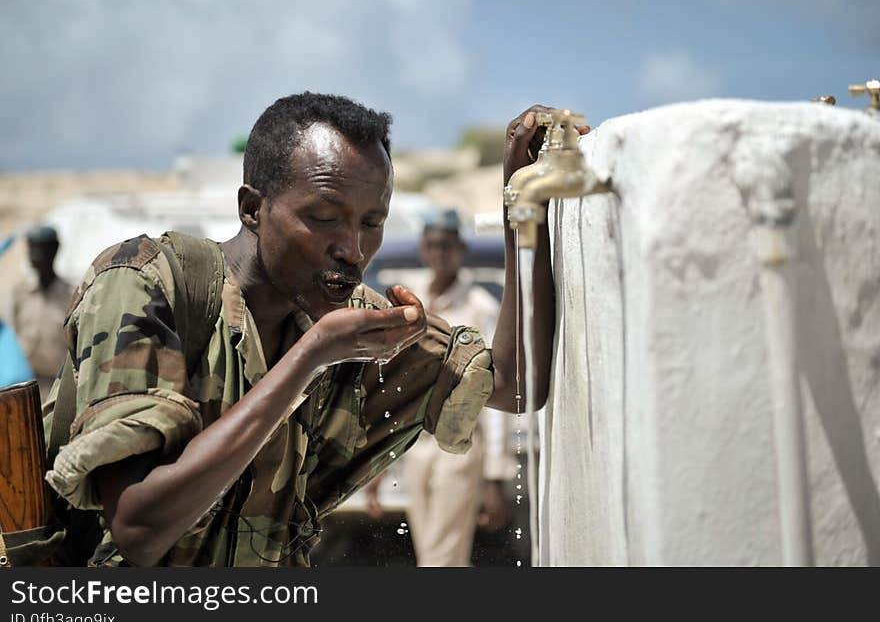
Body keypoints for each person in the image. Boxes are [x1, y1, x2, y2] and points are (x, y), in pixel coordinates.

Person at [43, 92, 579, 567]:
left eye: (372, 223)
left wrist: (521, 203)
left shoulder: (349, 321)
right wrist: (311, 357)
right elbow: (139, 528)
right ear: (253, 208)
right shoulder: (143, 283)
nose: (352, 248)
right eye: (324, 218)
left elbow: (515, 382)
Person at [367, 208, 517, 566]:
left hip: (459, 446)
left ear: (460, 249)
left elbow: (493, 391)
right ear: (424, 249)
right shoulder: (409, 302)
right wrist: (378, 461)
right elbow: (392, 383)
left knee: (443, 557)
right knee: (429, 554)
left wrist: (496, 475)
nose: (440, 254)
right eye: (433, 246)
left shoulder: (479, 307)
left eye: (447, 246)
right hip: (415, 444)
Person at [10, 225, 73, 401]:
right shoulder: (21, 294)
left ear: (55, 250)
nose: (38, 256)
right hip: (25, 385)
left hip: (60, 387)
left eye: (44, 249)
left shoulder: (71, 295)